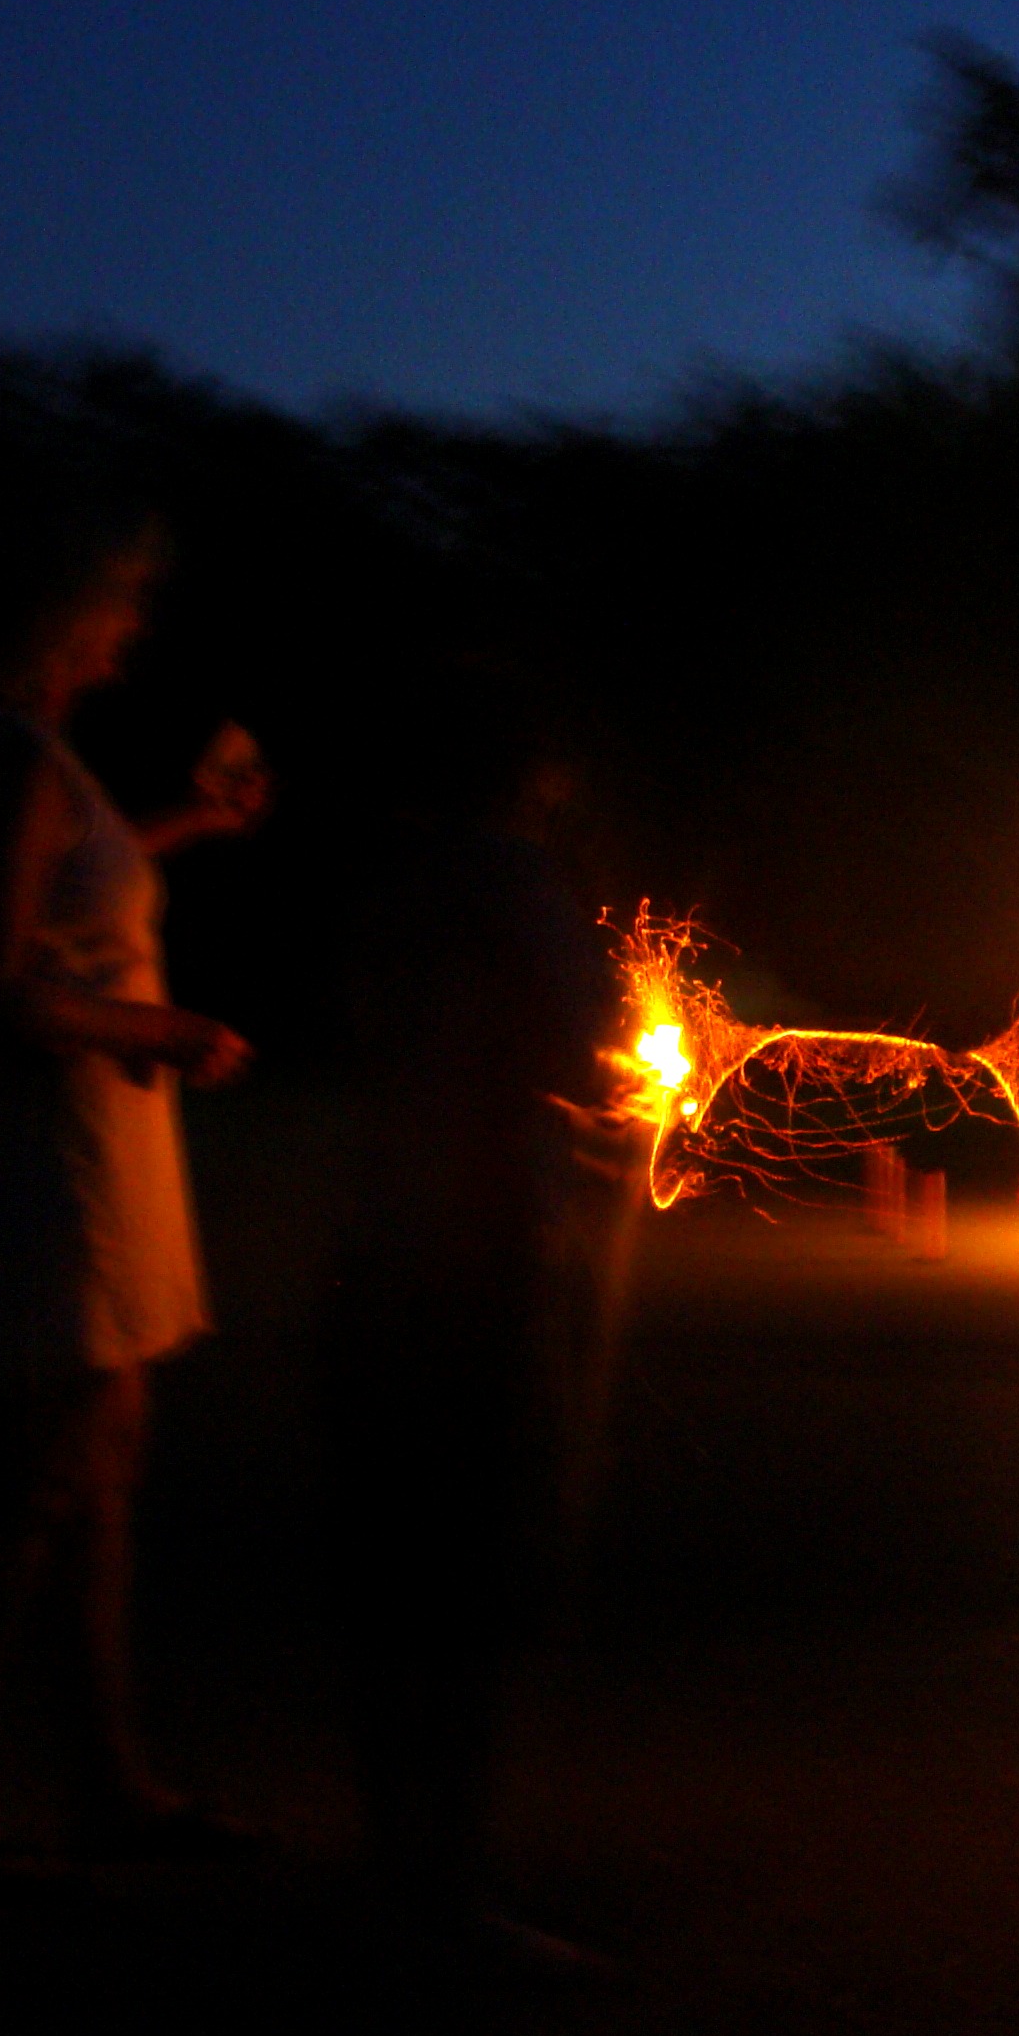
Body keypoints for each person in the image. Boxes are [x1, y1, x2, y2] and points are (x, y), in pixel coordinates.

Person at [0, 499, 269, 1873]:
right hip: (54, 1172)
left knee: (101, 1467)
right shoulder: (6, 754)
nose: (130, 630)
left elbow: (74, 889)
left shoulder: (20, 752)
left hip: (91, 1164)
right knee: (34, 1484)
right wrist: (161, 1030)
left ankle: (109, 1782)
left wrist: (190, 822)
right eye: (117, 604)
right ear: (61, 614)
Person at [317, 663, 617, 1967]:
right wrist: (596, 1095)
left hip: (380, 1239)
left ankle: (397, 1865)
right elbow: (566, 1048)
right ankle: (450, 1895)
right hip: (487, 1252)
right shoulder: (513, 884)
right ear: (534, 773)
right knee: (478, 1566)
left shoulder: (396, 883)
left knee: (394, 1565)